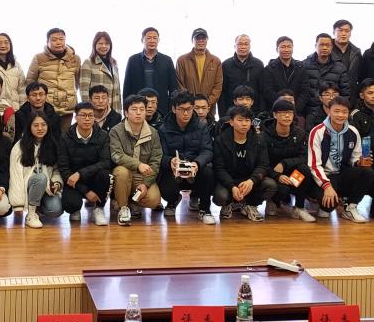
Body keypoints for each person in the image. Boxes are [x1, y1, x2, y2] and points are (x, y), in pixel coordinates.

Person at [307, 98, 374, 223]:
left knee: (368, 172)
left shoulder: (353, 131)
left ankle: (350, 207)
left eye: (344, 112)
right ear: (329, 111)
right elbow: (314, 165)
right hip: (323, 176)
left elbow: (354, 158)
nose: (340, 115)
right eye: (336, 111)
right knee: (328, 206)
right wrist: (327, 186)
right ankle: (323, 204)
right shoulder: (317, 132)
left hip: (342, 174)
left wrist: (359, 162)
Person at [157, 91, 214, 223]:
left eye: (189, 109)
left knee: (208, 173)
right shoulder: (164, 128)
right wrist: (170, 161)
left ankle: (205, 210)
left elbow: (207, 151)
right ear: (173, 109)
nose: (186, 113)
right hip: (174, 170)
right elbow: (160, 155)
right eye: (181, 109)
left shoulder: (201, 126)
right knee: (165, 184)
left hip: (194, 168)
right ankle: (172, 201)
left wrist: (197, 163)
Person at [213, 105, 276, 222]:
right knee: (221, 196)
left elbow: (263, 165)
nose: (244, 124)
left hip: (249, 179)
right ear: (231, 122)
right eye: (240, 120)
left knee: (270, 185)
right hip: (229, 180)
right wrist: (232, 186)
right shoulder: (220, 141)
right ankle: (228, 204)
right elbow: (219, 168)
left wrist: (251, 181)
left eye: (247, 120)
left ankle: (249, 205)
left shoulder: (259, 139)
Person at [109, 94, 164, 226]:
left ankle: (132, 202)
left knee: (154, 200)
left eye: (142, 109)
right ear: (126, 113)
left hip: (142, 176)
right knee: (121, 172)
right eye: (134, 109)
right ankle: (123, 207)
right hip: (124, 173)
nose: (138, 113)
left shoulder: (153, 133)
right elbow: (117, 155)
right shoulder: (116, 131)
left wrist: (145, 184)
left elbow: (156, 161)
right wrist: (138, 164)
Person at [57, 102, 113, 225]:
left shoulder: (103, 136)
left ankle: (99, 208)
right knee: (70, 205)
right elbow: (64, 168)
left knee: (105, 175)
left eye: (90, 115)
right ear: (75, 117)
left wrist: (80, 173)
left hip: (94, 177)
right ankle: (75, 209)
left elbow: (105, 162)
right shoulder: (65, 137)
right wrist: (86, 191)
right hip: (74, 181)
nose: (87, 119)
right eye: (83, 115)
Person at [264, 99, 317, 222]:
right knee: (283, 190)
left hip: (291, 174)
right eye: (283, 113)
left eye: (290, 113)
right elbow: (262, 162)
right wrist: (277, 176)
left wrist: (285, 163)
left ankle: (299, 207)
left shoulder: (300, 133)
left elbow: (305, 157)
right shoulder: (264, 135)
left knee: (304, 169)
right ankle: (273, 201)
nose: (287, 116)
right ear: (275, 115)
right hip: (272, 174)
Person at [7, 112, 63, 229]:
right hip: (27, 187)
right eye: (36, 125)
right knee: (40, 178)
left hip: (46, 188)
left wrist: (57, 183)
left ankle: (38, 208)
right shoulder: (19, 146)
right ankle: (31, 215)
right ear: (29, 127)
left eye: (43, 125)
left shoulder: (53, 144)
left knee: (55, 210)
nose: (40, 128)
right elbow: (16, 176)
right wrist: (18, 204)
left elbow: (56, 169)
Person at [26, 28, 81, 133]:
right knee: (46, 136)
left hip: (67, 107)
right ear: (47, 42)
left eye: (61, 39)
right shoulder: (39, 58)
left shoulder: (75, 59)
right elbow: (30, 82)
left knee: (65, 137)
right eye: (54, 40)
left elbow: (78, 82)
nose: (58, 42)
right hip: (46, 107)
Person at [122, 27, 178, 115]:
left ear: (158, 40)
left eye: (155, 38)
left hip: (161, 106)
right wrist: (126, 109)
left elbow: (173, 88)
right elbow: (127, 87)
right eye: (148, 38)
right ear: (142, 40)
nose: (152, 41)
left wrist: (172, 109)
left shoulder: (167, 60)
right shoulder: (133, 60)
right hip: (138, 107)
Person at [176, 27, 224, 111]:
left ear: (207, 40)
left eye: (203, 38)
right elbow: (180, 84)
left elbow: (218, 86)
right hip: (189, 107)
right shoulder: (182, 60)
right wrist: (190, 103)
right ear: (192, 40)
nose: (201, 41)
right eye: (197, 38)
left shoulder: (216, 61)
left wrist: (206, 103)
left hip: (208, 108)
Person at [261, 36, 310, 117]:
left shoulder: (301, 68)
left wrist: (295, 109)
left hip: (297, 112)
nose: (286, 50)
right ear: (277, 49)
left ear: (293, 48)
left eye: (289, 47)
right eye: (283, 47)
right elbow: (268, 91)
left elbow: (305, 91)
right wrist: (282, 107)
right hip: (276, 112)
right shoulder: (269, 69)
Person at [219, 34, 265, 117]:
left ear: (250, 46)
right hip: (231, 112)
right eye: (240, 44)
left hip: (254, 111)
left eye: (246, 44)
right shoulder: (226, 65)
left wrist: (261, 113)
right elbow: (222, 92)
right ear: (235, 46)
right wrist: (223, 115)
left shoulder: (258, 64)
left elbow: (262, 90)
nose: (243, 47)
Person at [79, 31, 123, 114]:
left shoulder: (114, 63)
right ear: (94, 45)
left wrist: (119, 110)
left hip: (113, 109)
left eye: (107, 44)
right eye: (100, 43)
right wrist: (87, 110)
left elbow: (117, 89)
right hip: (96, 109)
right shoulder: (89, 62)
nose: (103, 46)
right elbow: (84, 90)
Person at [303, 33, 351, 104]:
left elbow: (345, 92)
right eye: (321, 45)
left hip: (332, 107)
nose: (324, 48)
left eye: (328, 45)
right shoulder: (304, 65)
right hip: (310, 107)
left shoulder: (340, 67)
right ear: (315, 46)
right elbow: (301, 90)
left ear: (331, 47)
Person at [331, 19, 362, 96]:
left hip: (351, 95)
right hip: (331, 94)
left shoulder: (356, 52)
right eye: (340, 30)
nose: (343, 34)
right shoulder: (326, 50)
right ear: (333, 32)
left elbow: (360, 76)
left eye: (347, 31)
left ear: (350, 33)